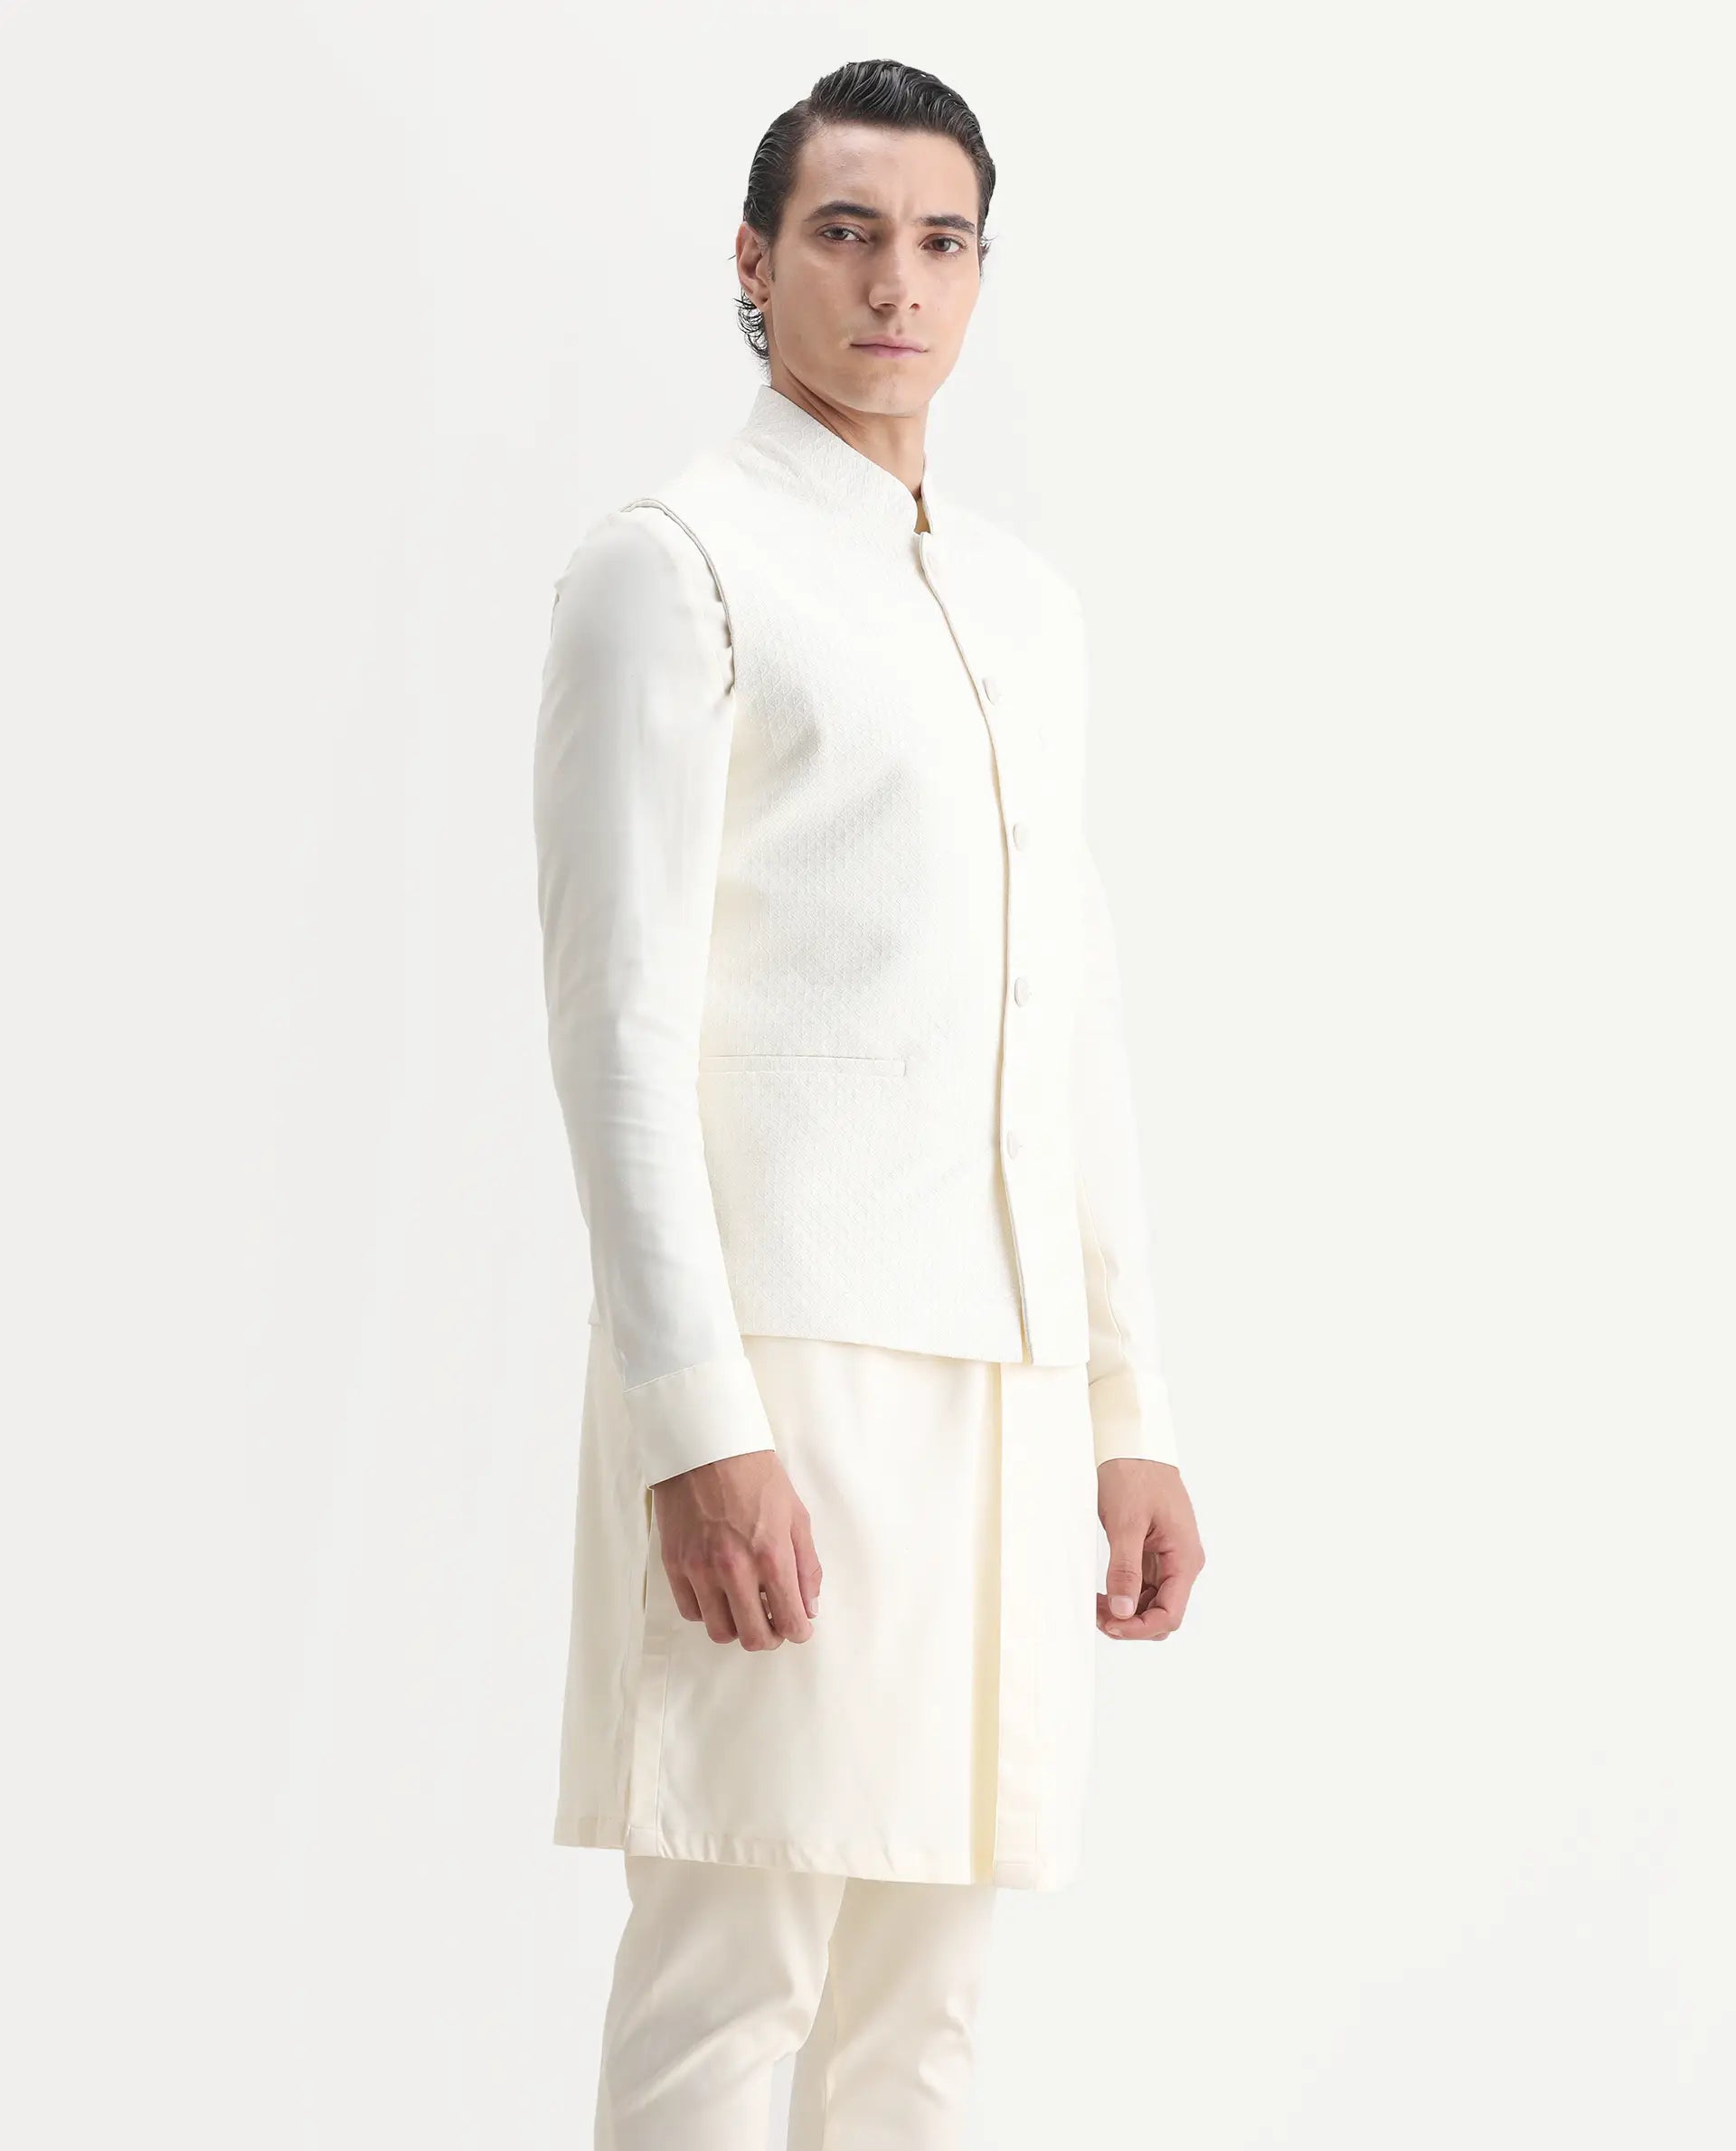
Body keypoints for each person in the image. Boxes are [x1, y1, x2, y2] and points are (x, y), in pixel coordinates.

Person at [532, 56, 1206, 2151]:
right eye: (845, 234)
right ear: (754, 263)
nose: (895, 282)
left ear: (981, 272)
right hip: (789, 1375)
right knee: (733, 1975)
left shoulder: (1023, 609)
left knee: (927, 2009)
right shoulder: (674, 566)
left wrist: (1129, 1406)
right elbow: (614, 1020)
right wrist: (695, 1422)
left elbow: (1069, 1020)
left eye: (939, 240)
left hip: (1007, 1388)